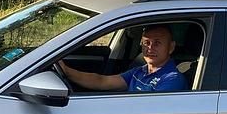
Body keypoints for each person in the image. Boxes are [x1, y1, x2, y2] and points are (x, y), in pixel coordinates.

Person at [59, 24, 187, 92]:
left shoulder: (172, 79)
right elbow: (102, 81)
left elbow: (147, 110)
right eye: (146, 43)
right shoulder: (140, 71)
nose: (150, 48)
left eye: (157, 43)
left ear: (171, 47)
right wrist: (67, 71)